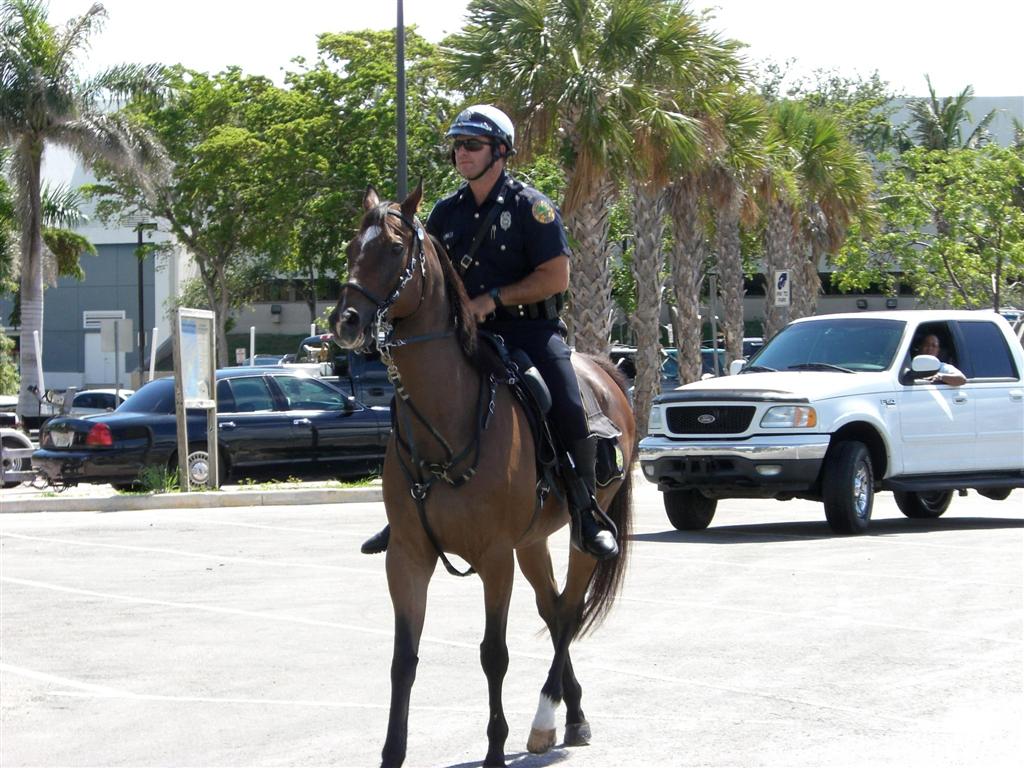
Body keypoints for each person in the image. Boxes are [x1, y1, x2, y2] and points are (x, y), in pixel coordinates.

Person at [360, 104, 618, 561]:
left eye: (473, 145)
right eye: (458, 145)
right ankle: (402, 510)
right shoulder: (445, 212)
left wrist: (493, 299)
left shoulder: (531, 207)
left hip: (530, 332)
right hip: (465, 337)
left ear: (500, 151)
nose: (462, 153)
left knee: (564, 399)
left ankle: (584, 508)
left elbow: (556, 277)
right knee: (414, 397)